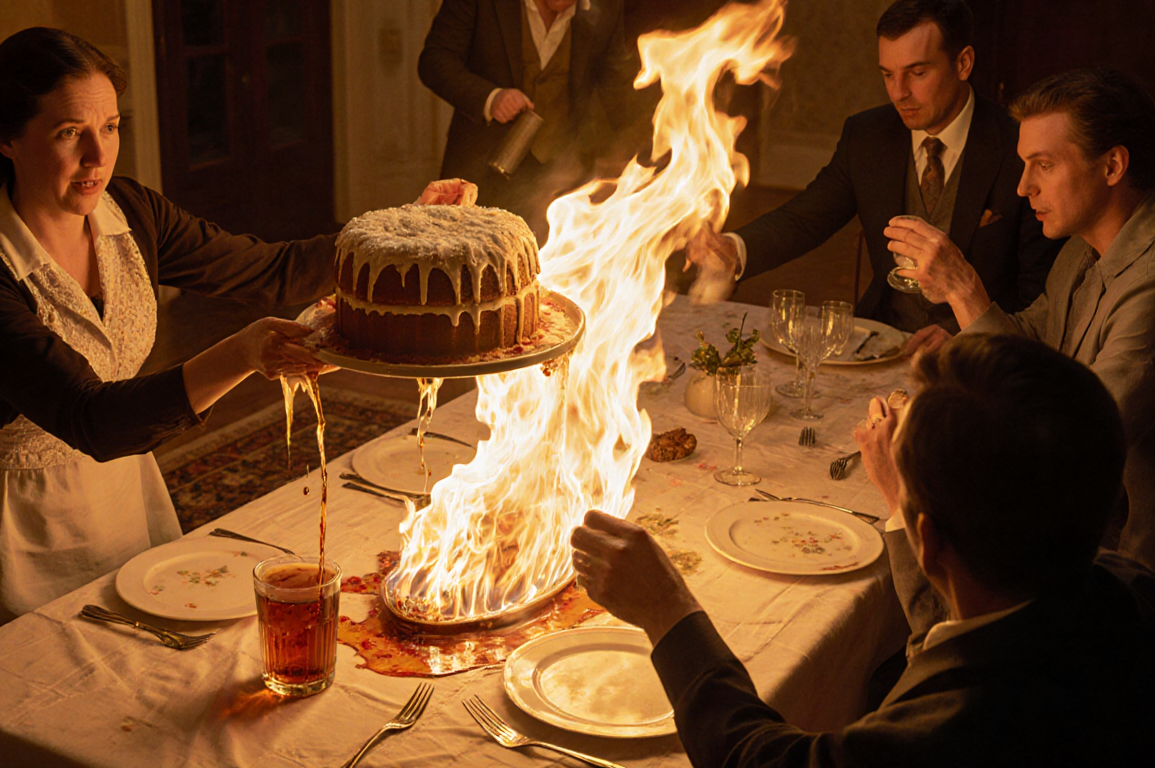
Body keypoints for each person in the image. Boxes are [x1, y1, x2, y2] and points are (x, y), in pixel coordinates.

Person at [0, 27, 472, 671]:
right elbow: (94, 419)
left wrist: (399, 233)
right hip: (18, 527)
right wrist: (241, 354)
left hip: (123, 499)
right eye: (68, 133)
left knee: (136, 681)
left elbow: (268, 271)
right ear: (5, 138)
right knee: (33, 694)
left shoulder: (131, 213)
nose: (98, 156)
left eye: (110, 127)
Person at [571, 334, 1154, 767]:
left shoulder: (954, 732)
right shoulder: (1126, 589)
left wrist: (668, 609)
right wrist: (913, 501)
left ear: (931, 543)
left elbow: (758, 760)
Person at [888, 67, 1155, 573]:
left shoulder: (1149, 283)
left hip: (1119, 570)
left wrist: (963, 289)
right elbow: (1032, 344)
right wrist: (966, 326)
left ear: (1112, 165)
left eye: (1044, 165)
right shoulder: (1082, 249)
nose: (1023, 186)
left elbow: (1073, 444)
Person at [687, 0, 1059, 333]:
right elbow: (805, 219)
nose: (899, 92)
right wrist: (735, 249)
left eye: (917, 73)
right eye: (887, 74)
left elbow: (1038, 293)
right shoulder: (867, 136)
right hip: (884, 340)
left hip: (981, 361)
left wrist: (967, 335)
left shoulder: (1019, 146)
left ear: (963, 63)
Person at [419, 0, 651, 242]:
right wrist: (490, 98)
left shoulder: (605, 8)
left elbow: (619, 92)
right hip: (479, 180)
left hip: (558, 185)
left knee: (545, 272)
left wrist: (655, 152)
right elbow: (434, 61)